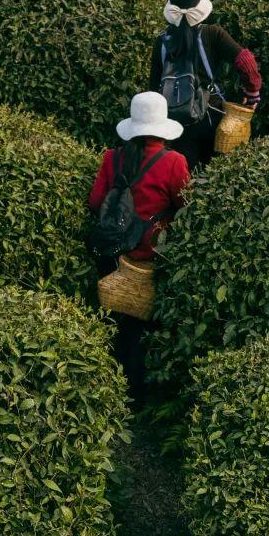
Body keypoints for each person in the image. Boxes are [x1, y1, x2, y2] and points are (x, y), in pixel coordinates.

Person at [89, 91, 190, 404]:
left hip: (111, 255)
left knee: (109, 321)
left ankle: (100, 384)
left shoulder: (112, 157)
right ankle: (136, 396)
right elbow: (186, 205)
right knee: (139, 328)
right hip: (148, 258)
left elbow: (95, 203)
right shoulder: (174, 162)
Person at [149, 0, 262, 170]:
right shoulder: (212, 33)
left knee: (185, 179)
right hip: (212, 116)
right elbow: (246, 61)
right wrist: (252, 93)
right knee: (215, 176)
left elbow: (154, 87)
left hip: (176, 122)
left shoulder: (162, 41)